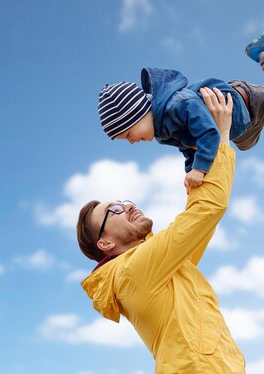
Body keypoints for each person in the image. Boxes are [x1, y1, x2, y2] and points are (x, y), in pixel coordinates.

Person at [77, 87, 245, 373]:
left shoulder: (163, 267)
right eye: (113, 210)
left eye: (122, 202)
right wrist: (219, 139)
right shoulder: (133, 272)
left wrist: (199, 166)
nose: (127, 206)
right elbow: (206, 212)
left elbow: (199, 218)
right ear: (105, 244)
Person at [97, 25, 264, 193]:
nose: (132, 141)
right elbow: (188, 148)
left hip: (248, 101)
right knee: (247, 145)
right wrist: (192, 175)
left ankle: (263, 51)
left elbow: (207, 132)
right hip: (243, 127)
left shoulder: (178, 104)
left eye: (128, 134)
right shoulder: (163, 133)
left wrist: (199, 169)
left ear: (139, 113)